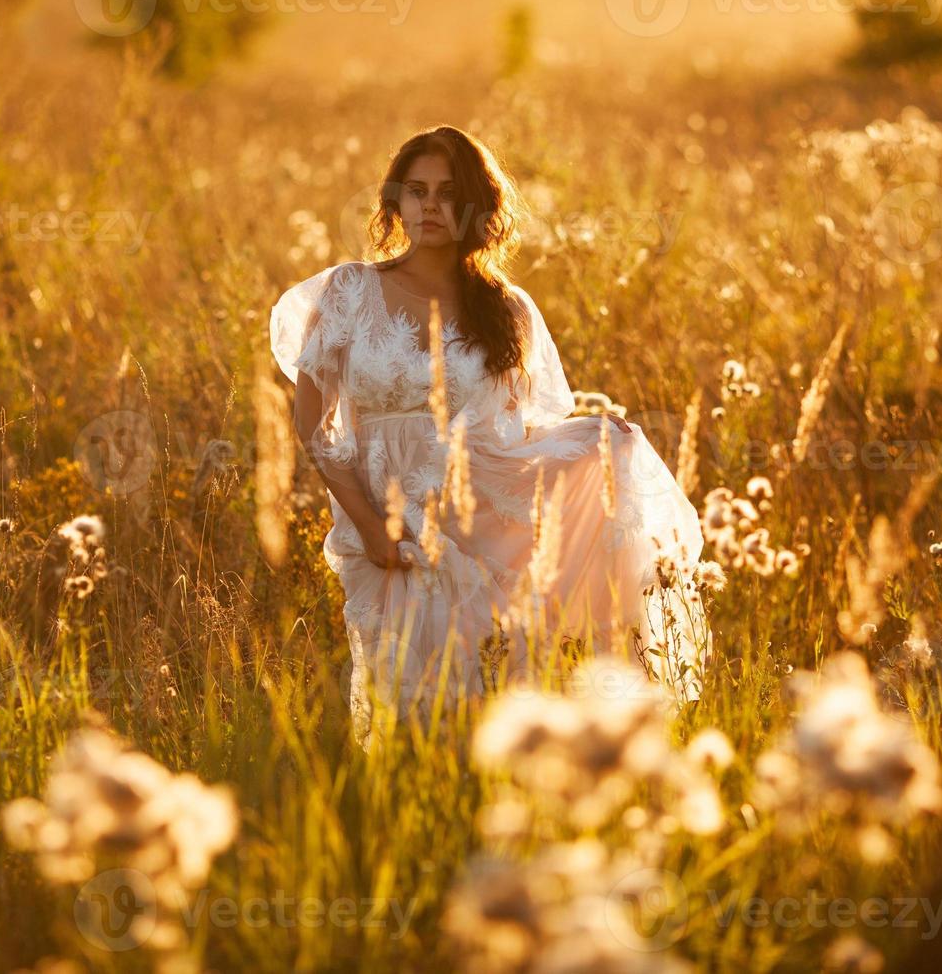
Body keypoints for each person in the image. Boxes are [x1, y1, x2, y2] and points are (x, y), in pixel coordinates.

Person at [269, 125, 709, 746]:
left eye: (448, 193)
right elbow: (314, 423)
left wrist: (593, 440)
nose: (430, 206)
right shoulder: (350, 291)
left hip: (484, 517)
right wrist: (368, 522)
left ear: (477, 205)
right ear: (395, 201)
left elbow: (525, 429)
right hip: (391, 517)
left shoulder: (507, 308)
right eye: (416, 191)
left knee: (484, 693)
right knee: (408, 699)